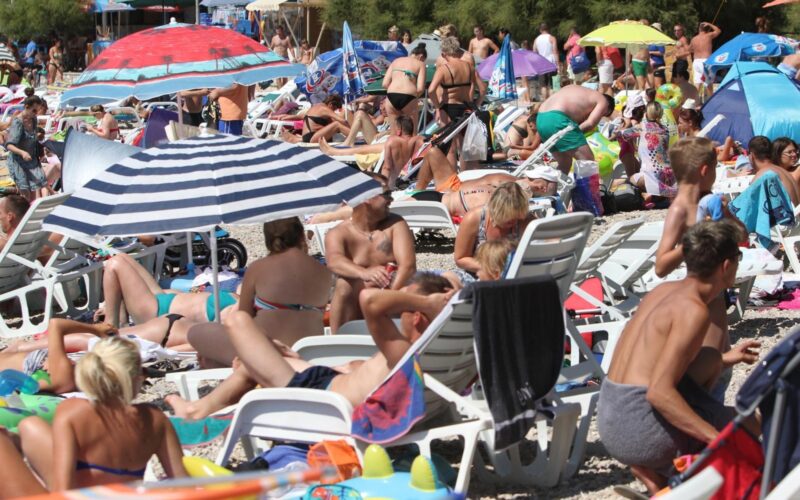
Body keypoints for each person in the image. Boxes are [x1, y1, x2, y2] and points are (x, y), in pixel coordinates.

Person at [599, 220, 759, 494]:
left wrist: (724, 359)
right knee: (755, 423)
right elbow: (659, 393)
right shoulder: (693, 311)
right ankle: (675, 478)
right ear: (726, 266)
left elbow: (656, 365)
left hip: (611, 418)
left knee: (711, 358)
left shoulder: (661, 292)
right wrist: (717, 439)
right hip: (641, 430)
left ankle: (658, 479)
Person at [167, 273, 453, 421]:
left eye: (403, 306)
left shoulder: (402, 351)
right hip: (326, 379)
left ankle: (197, 411)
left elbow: (369, 298)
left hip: (322, 397)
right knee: (261, 355)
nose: (397, 310)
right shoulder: (431, 350)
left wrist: (426, 302)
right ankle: (200, 409)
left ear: (417, 316)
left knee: (237, 320)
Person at [0, 332, 187, 496]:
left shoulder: (73, 411)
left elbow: (63, 491)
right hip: (122, 495)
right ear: (136, 377)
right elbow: (184, 486)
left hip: (75, 497)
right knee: (30, 426)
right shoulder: (155, 419)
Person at [187, 218, 331, 367]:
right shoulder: (323, 272)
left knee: (196, 332)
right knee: (211, 357)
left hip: (267, 355)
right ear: (301, 235)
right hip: (310, 354)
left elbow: (243, 318)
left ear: (267, 239)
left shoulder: (258, 268)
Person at [325, 173, 416, 333]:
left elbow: (407, 266)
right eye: (386, 194)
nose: (391, 199)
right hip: (355, 302)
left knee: (408, 288)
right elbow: (334, 261)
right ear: (366, 197)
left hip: (392, 296)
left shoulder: (395, 224)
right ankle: (340, 339)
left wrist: (387, 296)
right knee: (344, 285)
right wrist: (364, 272)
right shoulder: (339, 233)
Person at [98, 253, 239, 328]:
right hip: (164, 298)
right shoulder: (238, 299)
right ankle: (120, 317)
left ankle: (111, 324)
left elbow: (207, 337)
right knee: (122, 257)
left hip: (156, 313)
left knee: (114, 264)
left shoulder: (235, 317)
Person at [321, 116, 424, 188]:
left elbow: (387, 167)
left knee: (362, 149)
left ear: (399, 130)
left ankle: (332, 151)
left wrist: (383, 186)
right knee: (364, 149)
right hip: (409, 181)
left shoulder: (393, 141)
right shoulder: (419, 141)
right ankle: (333, 151)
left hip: (393, 184)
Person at [454, 182, 532, 274]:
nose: (514, 222)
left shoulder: (525, 220)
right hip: (479, 273)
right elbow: (461, 259)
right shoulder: (474, 218)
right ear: (494, 209)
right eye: (508, 217)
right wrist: (495, 268)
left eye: (517, 217)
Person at [536, 85, 615, 174]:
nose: (599, 116)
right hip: (558, 118)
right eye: (602, 114)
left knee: (565, 163)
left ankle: (551, 183)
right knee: (588, 161)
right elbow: (590, 123)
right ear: (608, 108)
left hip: (540, 118)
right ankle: (584, 185)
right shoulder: (603, 101)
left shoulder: (581, 92)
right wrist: (577, 135)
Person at [616, 101, 676, 199]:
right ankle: (654, 197)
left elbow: (620, 135)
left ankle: (646, 197)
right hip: (669, 175)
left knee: (626, 182)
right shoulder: (665, 129)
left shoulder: (642, 127)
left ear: (646, 113)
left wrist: (624, 124)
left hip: (651, 176)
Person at [5, 96, 50, 201]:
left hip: (32, 160)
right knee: (26, 194)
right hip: (18, 162)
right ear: (26, 107)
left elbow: (33, 140)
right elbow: (9, 145)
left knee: (38, 187)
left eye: (38, 110)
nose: (36, 113)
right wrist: (22, 153)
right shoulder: (18, 122)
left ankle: (34, 209)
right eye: (34, 110)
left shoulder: (33, 119)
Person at [428, 37, 479, 126]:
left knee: (446, 134)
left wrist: (437, 107)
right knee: (464, 135)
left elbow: (431, 90)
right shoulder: (470, 66)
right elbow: (482, 88)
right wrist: (475, 104)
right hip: (466, 106)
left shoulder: (443, 69)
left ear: (444, 53)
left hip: (448, 107)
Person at [382, 42, 427, 131]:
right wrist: (415, 97)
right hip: (408, 96)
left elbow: (385, 84)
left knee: (394, 133)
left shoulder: (396, 61)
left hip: (391, 96)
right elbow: (420, 88)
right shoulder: (420, 64)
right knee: (412, 133)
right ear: (421, 56)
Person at [750, 136, 800, 205]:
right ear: (777, 154)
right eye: (789, 152)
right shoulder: (775, 172)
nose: (794, 154)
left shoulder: (798, 170)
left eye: (795, 151)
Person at [281, 95, 350, 144]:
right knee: (337, 125)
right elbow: (342, 121)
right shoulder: (324, 108)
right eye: (334, 109)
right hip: (312, 137)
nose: (333, 111)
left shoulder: (316, 106)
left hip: (307, 137)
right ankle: (354, 137)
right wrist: (352, 129)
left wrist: (287, 117)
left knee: (334, 127)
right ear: (331, 104)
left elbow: (302, 116)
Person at [690, 22, 721, 93]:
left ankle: (694, 99)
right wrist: (709, 24)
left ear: (699, 29)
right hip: (705, 61)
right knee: (708, 84)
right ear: (707, 29)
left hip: (696, 61)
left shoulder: (694, 39)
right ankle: (711, 99)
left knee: (697, 84)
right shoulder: (708, 35)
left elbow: (690, 50)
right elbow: (718, 31)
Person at [533, 24, 559, 100]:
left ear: (540, 30)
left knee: (543, 85)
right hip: (551, 62)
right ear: (548, 29)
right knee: (552, 85)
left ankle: (545, 102)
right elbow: (555, 51)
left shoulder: (536, 39)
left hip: (541, 63)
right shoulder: (552, 38)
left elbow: (534, 52)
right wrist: (557, 64)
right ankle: (552, 102)